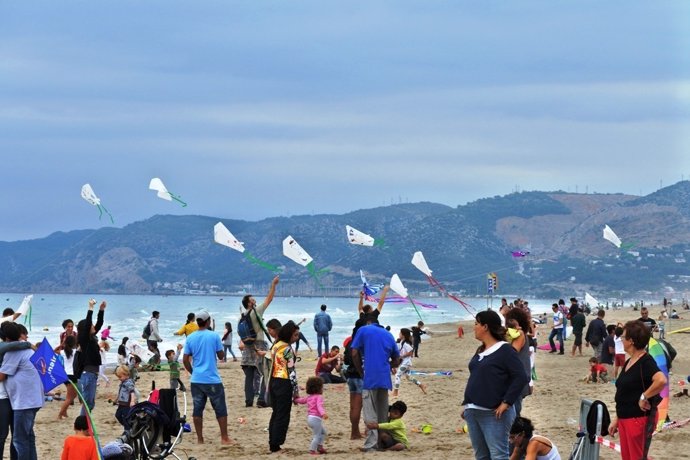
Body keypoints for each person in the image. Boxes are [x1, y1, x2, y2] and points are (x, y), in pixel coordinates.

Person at [461, 310, 528, 460]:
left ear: (485, 327)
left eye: (476, 324)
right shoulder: (481, 350)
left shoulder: (505, 350)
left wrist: (507, 402)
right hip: (473, 411)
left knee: (498, 455)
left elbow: (520, 377)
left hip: (493, 413)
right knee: (482, 456)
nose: (474, 327)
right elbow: (478, 378)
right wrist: (468, 405)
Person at [608, 320, 667, 460]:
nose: (621, 339)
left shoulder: (645, 361)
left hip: (637, 420)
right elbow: (626, 393)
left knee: (637, 457)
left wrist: (644, 397)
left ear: (631, 341)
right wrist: (617, 419)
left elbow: (661, 380)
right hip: (625, 418)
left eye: (623, 337)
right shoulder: (629, 361)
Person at [351, 313, 401, 452]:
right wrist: (386, 366)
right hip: (384, 378)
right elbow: (397, 360)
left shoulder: (363, 330)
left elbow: (354, 353)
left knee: (370, 412)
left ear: (367, 322)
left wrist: (360, 371)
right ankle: (382, 442)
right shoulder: (388, 334)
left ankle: (371, 445)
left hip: (370, 377)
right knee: (382, 412)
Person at [182, 310, 233, 445]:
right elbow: (221, 356)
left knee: (198, 409)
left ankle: (200, 439)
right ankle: (224, 438)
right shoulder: (214, 336)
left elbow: (185, 359)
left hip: (196, 380)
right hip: (212, 379)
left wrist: (193, 372)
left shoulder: (191, 338)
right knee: (220, 408)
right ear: (208, 321)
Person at [0, 322, 44, 460]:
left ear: (5, 338)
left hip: (24, 402)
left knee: (19, 440)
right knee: (28, 437)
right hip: (33, 399)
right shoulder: (24, 349)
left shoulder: (14, 352)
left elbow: (2, 376)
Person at [240, 275, 279, 409]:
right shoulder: (256, 311)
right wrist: (273, 285)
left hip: (248, 346)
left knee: (249, 375)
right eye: (252, 299)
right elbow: (270, 299)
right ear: (250, 303)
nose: (254, 299)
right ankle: (262, 399)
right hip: (259, 344)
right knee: (265, 371)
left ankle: (248, 401)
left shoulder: (243, 315)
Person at [268, 320, 300, 454]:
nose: (296, 338)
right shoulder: (287, 349)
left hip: (274, 380)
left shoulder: (276, 345)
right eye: (295, 335)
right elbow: (291, 370)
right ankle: (276, 444)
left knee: (276, 413)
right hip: (284, 382)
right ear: (289, 334)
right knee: (283, 414)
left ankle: (272, 441)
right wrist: (296, 390)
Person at [77, 299, 106, 414]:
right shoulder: (84, 339)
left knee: (90, 403)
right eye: (91, 325)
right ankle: (82, 425)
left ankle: (85, 425)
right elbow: (89, 322)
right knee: (87, 403)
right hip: (88, 374)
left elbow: (99, 323)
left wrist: (101, 310)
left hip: (92, 374)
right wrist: (90, 308)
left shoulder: (92, 338)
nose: (94, 326)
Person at [504, 308, 532, 416]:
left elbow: (512, 352)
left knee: (514, 412)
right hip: (519, 377)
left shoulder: (519, 334)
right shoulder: (517, 334)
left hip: (517, 378)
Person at [294, 376, 328, 455]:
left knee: (323, 432)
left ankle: (320, 446)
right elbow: (319, 406)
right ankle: (312, 450)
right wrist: (323, 414)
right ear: (319, 388)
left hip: (310, 419)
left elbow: (302, 400)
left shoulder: (310, 397)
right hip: (316, 419)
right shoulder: (319, 397)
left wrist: (295, 399)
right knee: (317, 435)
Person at [392, 328, 427, 398]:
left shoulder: (405, 343)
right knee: (408, 377)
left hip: (406, 362)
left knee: (397, 375)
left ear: (403, 335)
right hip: (405, 363)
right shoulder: (401, 342)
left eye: (400, 333)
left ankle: (396, 392)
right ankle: (421, 385)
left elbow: (411, 352)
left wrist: (402, 356)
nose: (399, 334)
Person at [58, 335, 78, 420]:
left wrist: (62, 344)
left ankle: (64, 412)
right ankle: (60, 414)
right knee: (70, 397)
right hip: (72, 375)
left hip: (65, 375)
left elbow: (54, 351)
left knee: (73, 395)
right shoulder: (76, 351)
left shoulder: (63, 351)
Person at [113, 365, 136, 432]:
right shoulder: (122, 382)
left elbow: (132, 392)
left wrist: (132, 401)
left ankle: (127, 430)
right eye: (118, 377)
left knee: (126, 417)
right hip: (121, 403)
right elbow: (120, 392)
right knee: (118, 415)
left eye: (120, 376)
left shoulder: (129, 382)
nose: (119, 378)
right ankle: (129, 427)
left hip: (127, 404)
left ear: (126, 374)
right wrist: (116, 399)